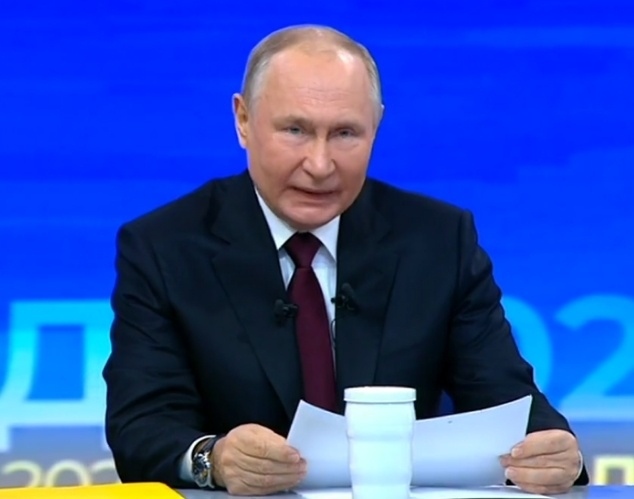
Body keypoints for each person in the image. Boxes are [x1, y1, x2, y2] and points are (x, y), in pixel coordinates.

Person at [103, 24, 589, 497]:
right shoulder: (165, 247)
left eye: (345, 134)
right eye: (295, 130)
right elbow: (142, 427)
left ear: (376, 127)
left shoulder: (438, 240)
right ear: (243, 120)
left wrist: (554, 452)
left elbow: (510, 403)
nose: (320, 165)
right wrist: (214, 458)